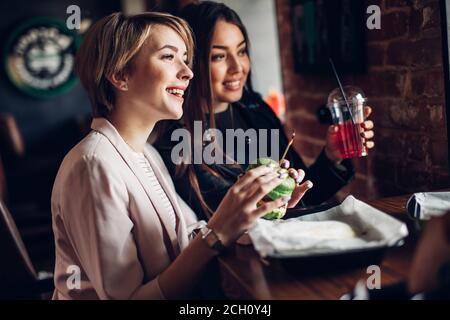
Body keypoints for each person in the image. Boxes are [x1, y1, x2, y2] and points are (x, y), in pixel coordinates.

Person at [50, 11, 310, 300]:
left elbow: (188, 238)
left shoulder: (146, 153)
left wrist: (255, 210)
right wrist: (217, 233)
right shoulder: (93, 166)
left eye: (185, 58)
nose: (188, 72)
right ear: (120, 75)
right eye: (168, 57)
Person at [154, 1, 375, 221]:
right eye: (219, 56)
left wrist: (331, 157)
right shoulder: (177, 141)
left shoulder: (256, 110)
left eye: (241, 51)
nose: (238, 67)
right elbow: (228, 224)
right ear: (190, 62)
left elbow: (305, 197)